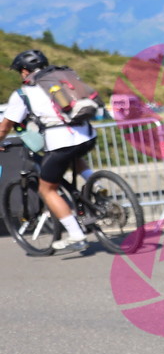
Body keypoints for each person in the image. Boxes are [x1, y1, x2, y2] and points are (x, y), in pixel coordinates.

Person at [0, 49, 98, 251]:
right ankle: (97, 187)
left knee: (47, 189)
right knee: (74, 157)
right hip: (88, 135)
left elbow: (5, 126)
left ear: (25, 71)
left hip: (61, 141)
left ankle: (76, 235)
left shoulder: (23, 93)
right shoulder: (61, 80)